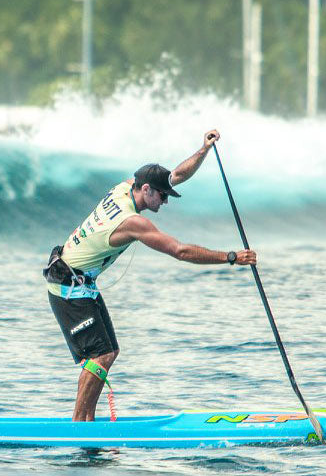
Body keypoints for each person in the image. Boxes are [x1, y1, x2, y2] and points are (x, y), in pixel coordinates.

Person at [43, 130, 256, 421]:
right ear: (146, 190)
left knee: (108, 352)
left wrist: (203, 150)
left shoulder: (125, 187)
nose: (166, 201)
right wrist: (231, 257)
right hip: (68, 289)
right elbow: (179, 251)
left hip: (80, 282)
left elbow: (175, 176)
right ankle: (79, 424)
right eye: (163, 196)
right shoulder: (132, 222)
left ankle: (84, 420)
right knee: (100, 356)